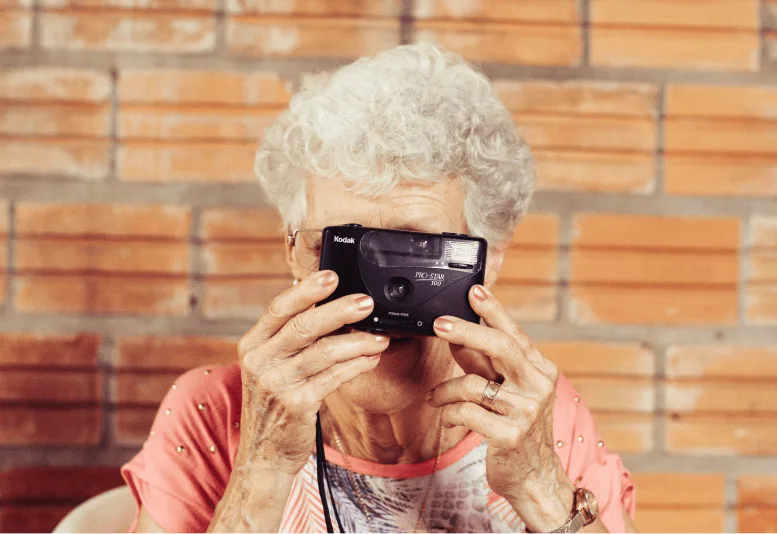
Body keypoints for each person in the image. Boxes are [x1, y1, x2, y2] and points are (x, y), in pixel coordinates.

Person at [122, 43, 637, 534]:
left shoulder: (531, 415)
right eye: (340, 250)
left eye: (415, 253)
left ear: (488, 259)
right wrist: (264, 466)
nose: (374, 300)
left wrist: (539, 484)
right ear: (294, 255)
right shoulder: (216, 412)